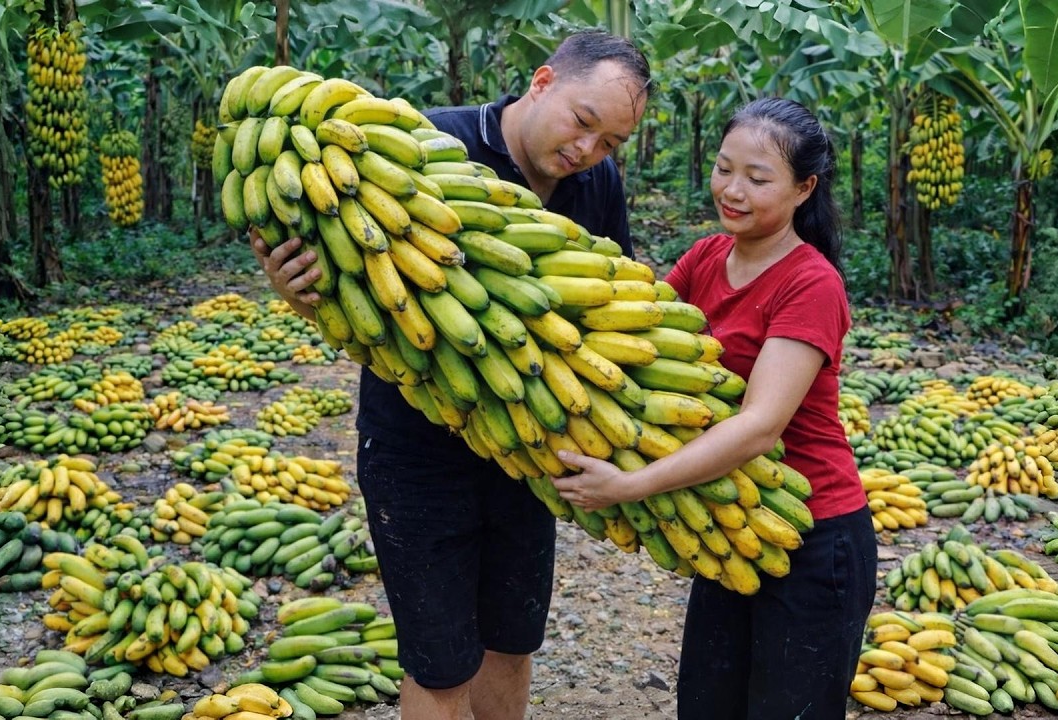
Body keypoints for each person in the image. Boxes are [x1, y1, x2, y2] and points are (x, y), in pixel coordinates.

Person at [251, 31, 651, 720]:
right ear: (544, 80)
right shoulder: (424, 148)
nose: (588, 151)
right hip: (418, 452)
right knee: (439, 665)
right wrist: (297, 294)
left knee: (511, 641)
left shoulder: (597, 186)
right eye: (584, 123)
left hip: (530, 446)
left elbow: (612, 306)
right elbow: (356, 291)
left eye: (610, 143)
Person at [551, 97, 877, 719]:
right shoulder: (705, 258)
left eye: (757, 179)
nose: (732, 190)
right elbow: (630, 344)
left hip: (812, 532)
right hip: (730, 523)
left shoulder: (810, 284)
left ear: (805, 188)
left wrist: (630, 485)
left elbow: (759, 427)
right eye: (724, 168)